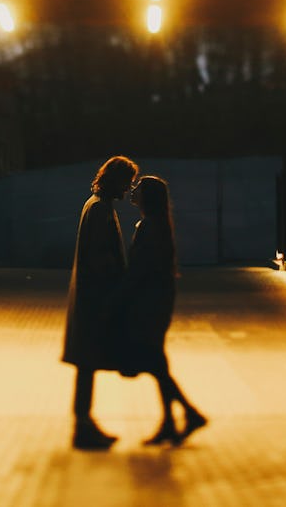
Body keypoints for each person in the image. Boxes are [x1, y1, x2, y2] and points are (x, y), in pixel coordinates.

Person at [62, 155, 139, 450]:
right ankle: (83, 426)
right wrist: (118, 289)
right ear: (115, 179)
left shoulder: (95, 204)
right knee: (87, 361)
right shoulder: (100, 210)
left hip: (91, 296)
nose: (129, 188)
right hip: (95, 298)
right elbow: (100, 257)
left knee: (87, 362)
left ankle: (84, 424)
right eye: (127, 181)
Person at [125, 175, 207, 446]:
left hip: (150, 301)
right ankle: (174, 420)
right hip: (158, 298)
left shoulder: (149, 226)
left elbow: (140, 268)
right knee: (156, 361)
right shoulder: (158, 225)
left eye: (138, 188)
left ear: (147, 197)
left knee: (155, 361)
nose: (132, 191)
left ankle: (185, 415)